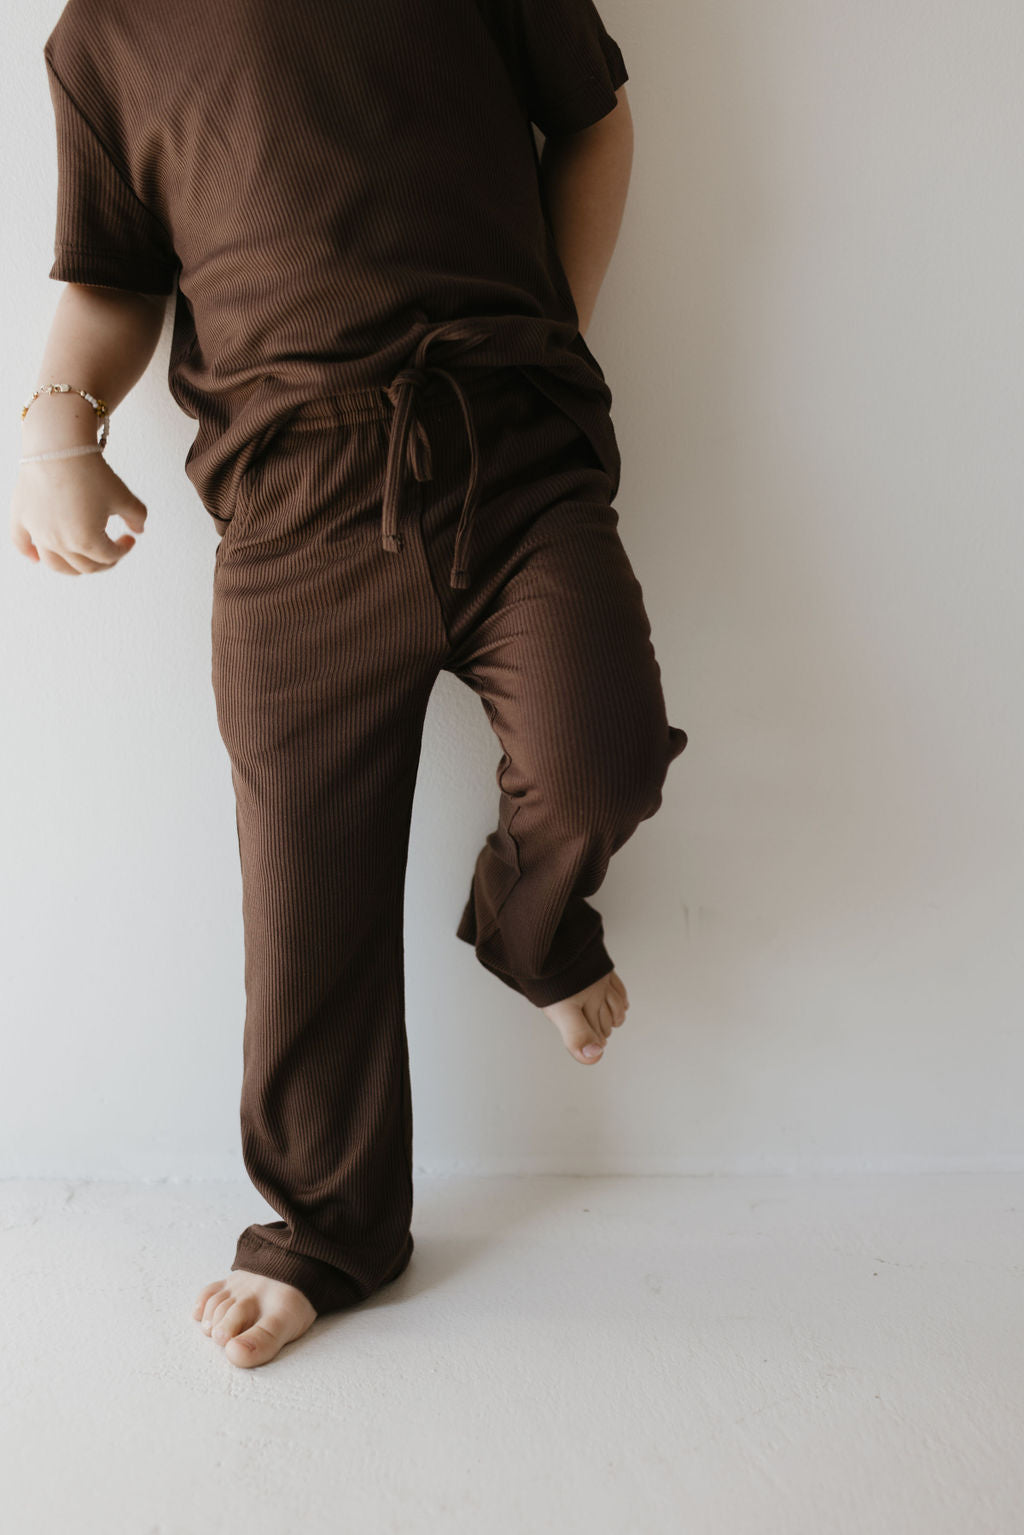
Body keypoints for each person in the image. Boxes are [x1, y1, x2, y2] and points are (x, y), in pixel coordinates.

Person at [11, 0, 688, 1368]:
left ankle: (532, 924)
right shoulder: (107, 34)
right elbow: (112, 272)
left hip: (513, 451)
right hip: (293, 506)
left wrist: (552, 330)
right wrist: (56, 429)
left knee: (600, 754)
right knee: (306, 886)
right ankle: (330, 1228)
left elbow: (595, 118)